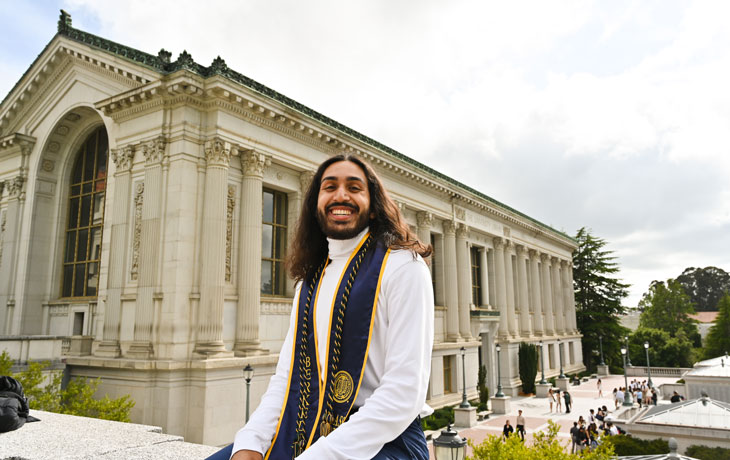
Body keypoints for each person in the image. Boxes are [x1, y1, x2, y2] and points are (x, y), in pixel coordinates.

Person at [211, 155, 434, 460]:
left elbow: (404, 394)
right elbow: (287, 378)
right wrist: (251, 440)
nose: (341, 194)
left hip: (387, 439)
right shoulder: (309, 282)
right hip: (307, 425)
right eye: (329, 187)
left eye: (354, 187)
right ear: (316, 206)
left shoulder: (403, 266)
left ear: (373, 207)